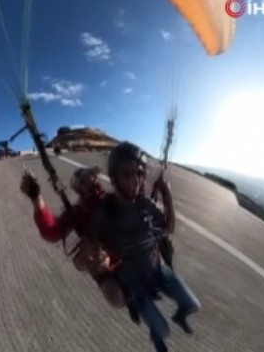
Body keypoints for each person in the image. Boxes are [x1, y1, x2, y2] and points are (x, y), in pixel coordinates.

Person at [89, 141, 199, 352]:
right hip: (132, 279)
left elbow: (168, 228)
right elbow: (88, 244)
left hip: (157, 267)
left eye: (140, 174)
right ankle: (157, 337)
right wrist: (97, 261)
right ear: (114, 177)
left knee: (192, 304)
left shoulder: (144, 205)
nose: (135, 181)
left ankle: (179, 316)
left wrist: (167, 194)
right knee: (162, 330)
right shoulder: (105, 212)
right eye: (127, 174)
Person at [19, 166, 128, 311]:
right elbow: (51, 231)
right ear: (79, 189)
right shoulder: (79, 212)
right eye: (83, 181)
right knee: (114, 295)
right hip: (108, 260)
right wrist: (36, 197)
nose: (89, 180)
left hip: (132, 248)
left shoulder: (112, 199)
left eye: (90, 175)